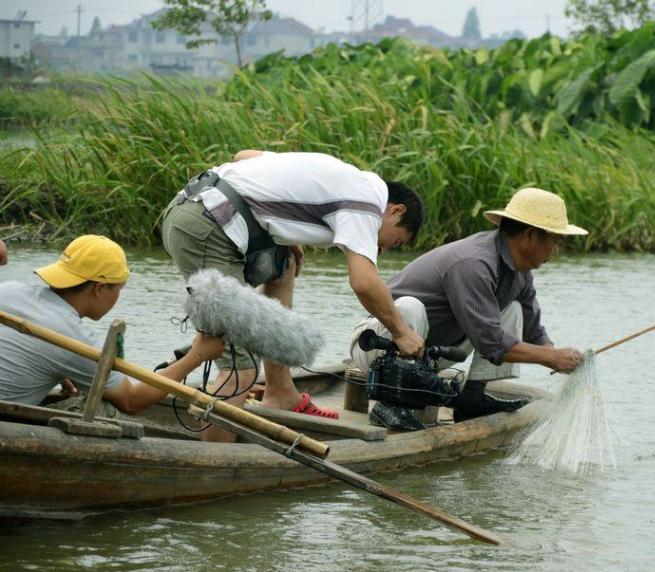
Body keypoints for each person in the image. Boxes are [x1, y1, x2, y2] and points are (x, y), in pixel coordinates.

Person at [161, 149, 426, 441]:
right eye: (395, 241)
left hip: (200, 209)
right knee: (241, 364)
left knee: (283, 265)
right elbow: (364, 282)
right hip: (207, 226)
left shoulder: (347, 176)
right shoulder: (368, 203)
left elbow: (243, 156)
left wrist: (287, 236)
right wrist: (401, 332)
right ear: (396, 211)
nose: (384, 249)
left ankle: (280, 392)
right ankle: (212, 462)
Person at [350, 187, 588, 431]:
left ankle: (473, 397)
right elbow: (491, 343)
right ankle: (388, 403)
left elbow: (533, 330)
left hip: (428, 357)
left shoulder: (521, 274)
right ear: (529, 236)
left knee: (513, 309)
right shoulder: (474, 263)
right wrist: (550, 358)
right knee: (410, 307)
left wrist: (556, 356)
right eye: (555, 241)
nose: (556, 250)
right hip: (379, 347)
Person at [0, 235, 224, 413]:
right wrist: (197, 355)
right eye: (119, 288)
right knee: (107, 411)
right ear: (100, 288)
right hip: (6, 428)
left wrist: (62, 371)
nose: (118, 296)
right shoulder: (72, 339)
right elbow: (131, 401)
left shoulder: (8, 289)